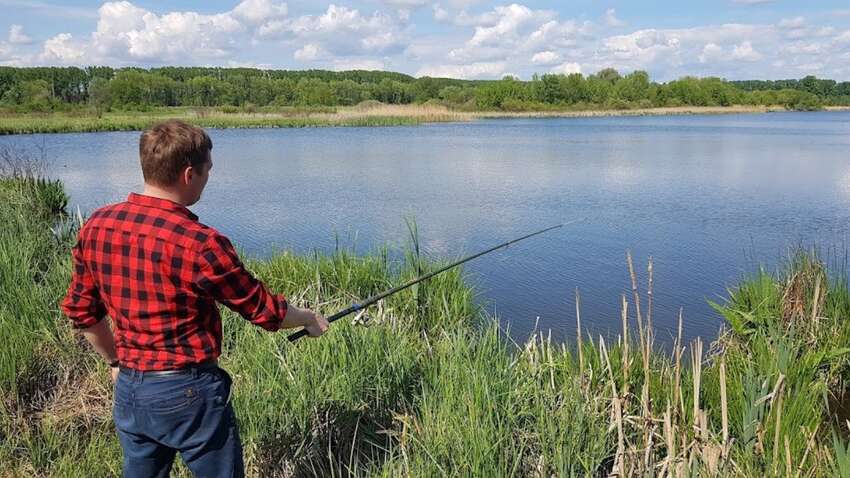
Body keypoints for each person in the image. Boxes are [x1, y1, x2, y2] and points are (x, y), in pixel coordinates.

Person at [60, 119, 329, 478]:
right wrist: (310, 319)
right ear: (190, 174)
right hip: (189, 393)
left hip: (130, 388)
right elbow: (264, 311)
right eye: (207, 171)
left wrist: (115, 362)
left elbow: (82, 312)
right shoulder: (200, 242)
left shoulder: (97, 225)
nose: (208, 179)